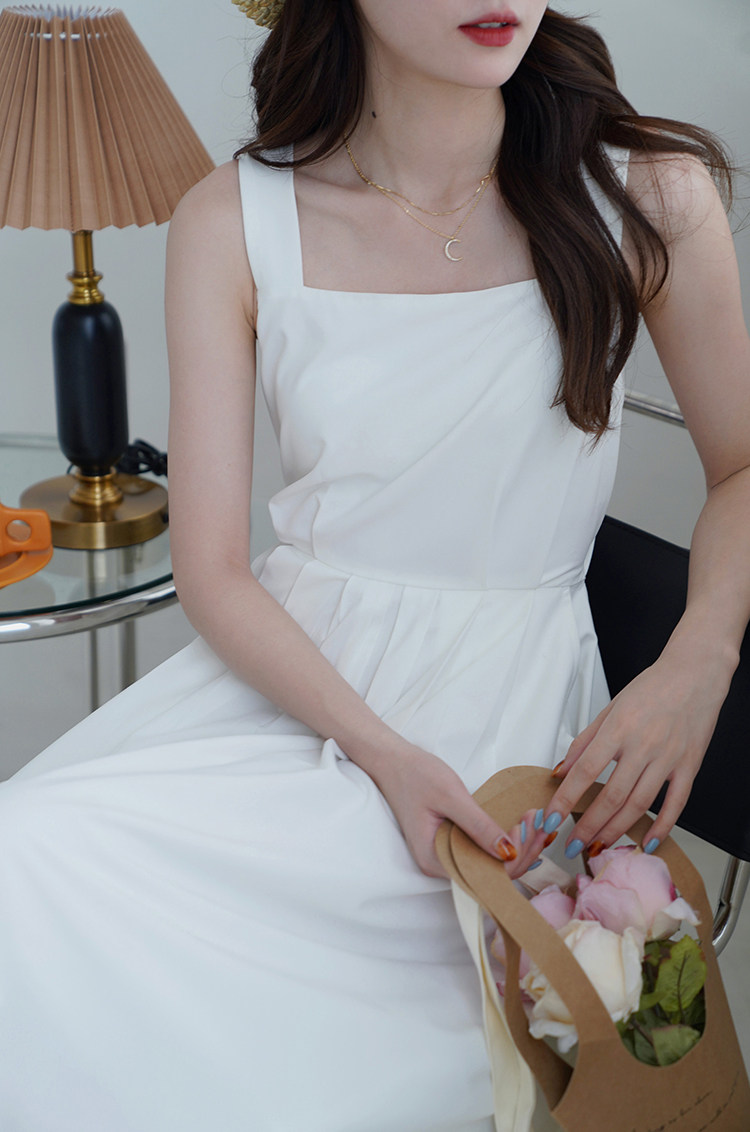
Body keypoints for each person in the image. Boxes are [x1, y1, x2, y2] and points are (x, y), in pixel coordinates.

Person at [1, 2, 748, 1130]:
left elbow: (743, 467)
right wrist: (381, 753)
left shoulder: (645, 194)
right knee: (28, 854)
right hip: (297, 702)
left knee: (319, 1078)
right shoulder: (233, 219)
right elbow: (214, 571)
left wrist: (698, 662)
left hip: (503, 734)